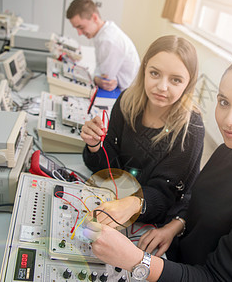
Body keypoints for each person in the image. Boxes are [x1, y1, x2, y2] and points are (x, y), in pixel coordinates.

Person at [82, 53, 232, 281]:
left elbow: (217, 278)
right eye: (224, 102)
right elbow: (194, 197)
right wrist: (176, 225)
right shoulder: (229, 150)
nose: (229, 120)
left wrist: (137, 261)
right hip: (174, 260)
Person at [80, 35, 205, 229]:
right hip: (115, 200)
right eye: (155, 73)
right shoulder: (126, 101)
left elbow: (166, 197)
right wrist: (95, 146)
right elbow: (109, 168)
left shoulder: (191, 128)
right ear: (144, 70)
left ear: (188, 83)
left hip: (152, 221)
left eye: (176, 80)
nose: (162, 87)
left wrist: (133, 203)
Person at [66, 0, 140, 91]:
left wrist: (95, 78)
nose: (79, 33)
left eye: (81, 27)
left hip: (125, 92)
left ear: (94, 18)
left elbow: (105, 80)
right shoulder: (103, 31)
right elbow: (100, 69)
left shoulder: (108, 40)